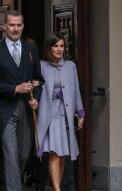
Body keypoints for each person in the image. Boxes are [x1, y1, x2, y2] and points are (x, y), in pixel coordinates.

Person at [0, 10, 44, 191]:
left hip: (26, 108)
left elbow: (38, 80)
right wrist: (14, 89)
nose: (15, 29)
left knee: (24, 154)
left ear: (23, 26)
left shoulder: (31, 50)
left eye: (18, 25)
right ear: (4, 26)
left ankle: (5, 183)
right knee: (10, 155)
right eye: (12, 25)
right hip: (5, 111)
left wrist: (37, 99)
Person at [36, 33, 85, 191]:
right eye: (56, 46)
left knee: (63, 154)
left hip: (66, 114)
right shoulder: (41, 66)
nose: (59, 49)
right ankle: (57, 189)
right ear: (49, 48)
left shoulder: (71, 66)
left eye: (62, 46)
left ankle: (58, 187)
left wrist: (81, 112)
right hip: (49, 115)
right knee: (54, 153)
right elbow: (35, 89)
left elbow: (76, 89)